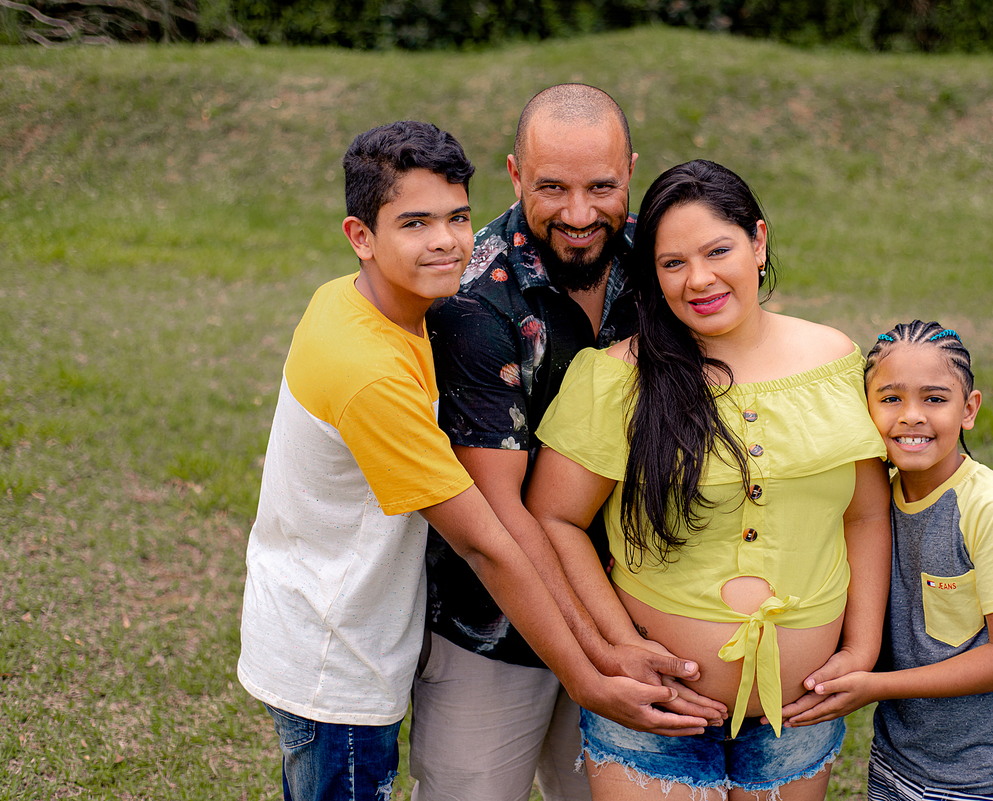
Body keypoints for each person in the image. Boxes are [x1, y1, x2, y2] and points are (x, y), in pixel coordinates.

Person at [237, 120, 690, 801]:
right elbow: (486, 541)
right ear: (360, 236)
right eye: (415, 223)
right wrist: (592, 672)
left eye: (457, 218)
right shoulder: (373, 369)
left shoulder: (367, 304)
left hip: (346, 627)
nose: (448, 241)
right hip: (337, 656)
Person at [526, 159, 892, 800]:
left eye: (718, 251)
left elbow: (863, 514)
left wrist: (861, 649)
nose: (698, 279)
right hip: (655, 712)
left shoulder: (833, 359)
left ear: (759, 241)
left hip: (798, 714)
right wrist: (619, 648)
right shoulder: (618, 377)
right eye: (673, 263)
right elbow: (554, 518)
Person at [411, 84, 722, 801]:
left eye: (601, 187)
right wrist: (602, 654)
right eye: (552, 188)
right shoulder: (473, 298)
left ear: (631, 171)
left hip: (643, 605)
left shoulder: (667, 261)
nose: (579, 215)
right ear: (516, 174)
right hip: (494, 618)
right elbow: (499, 514)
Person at [783, 320, 993, 801]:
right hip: (898, 761)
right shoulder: (869, 509)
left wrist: (875, 686)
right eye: (890, 399)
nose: (911, 416)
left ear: (968, 409)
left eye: (934, 399)